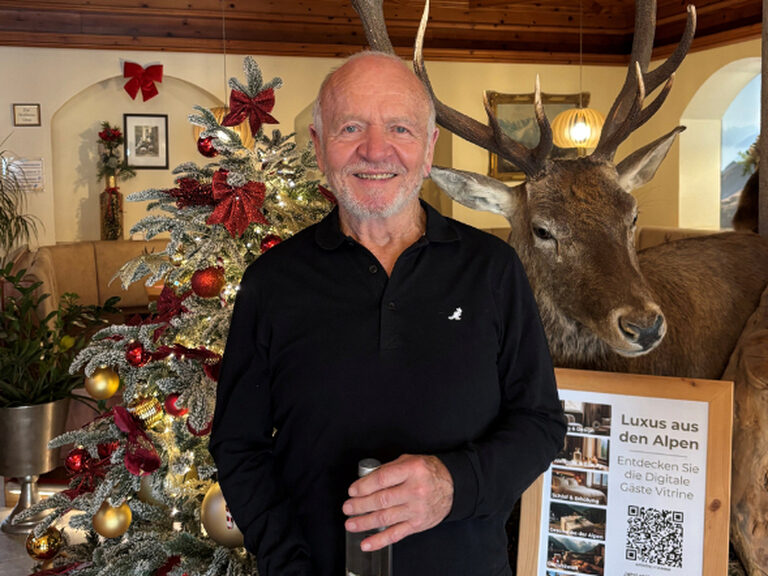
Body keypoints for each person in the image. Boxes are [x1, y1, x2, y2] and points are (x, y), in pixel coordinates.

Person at [209, 51, 566, 576]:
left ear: (429, 149)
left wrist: (453, 485)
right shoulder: (272, 282)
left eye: (400, 128)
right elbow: (238, 445)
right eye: (351, 127)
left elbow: (540, 423)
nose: (376, 151)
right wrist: (288, 566)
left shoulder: (492, 270)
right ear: (319, 146)